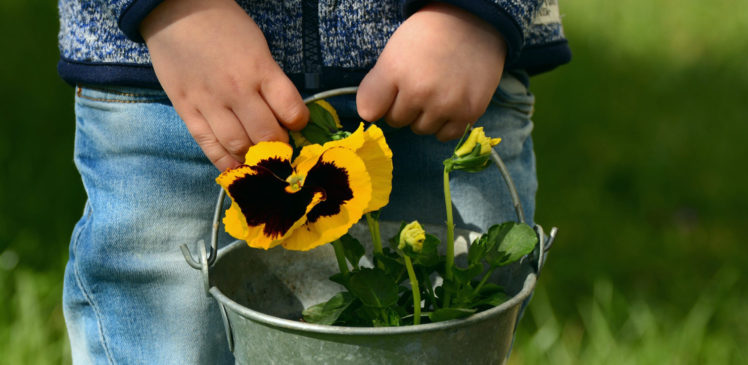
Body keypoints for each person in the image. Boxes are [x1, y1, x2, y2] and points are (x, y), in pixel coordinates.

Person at [58, 0, 570, 363]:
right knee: (167, 343)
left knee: (453, 328)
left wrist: (477, 11)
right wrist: (173, 10)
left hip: (451, 64)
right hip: (179, 69)